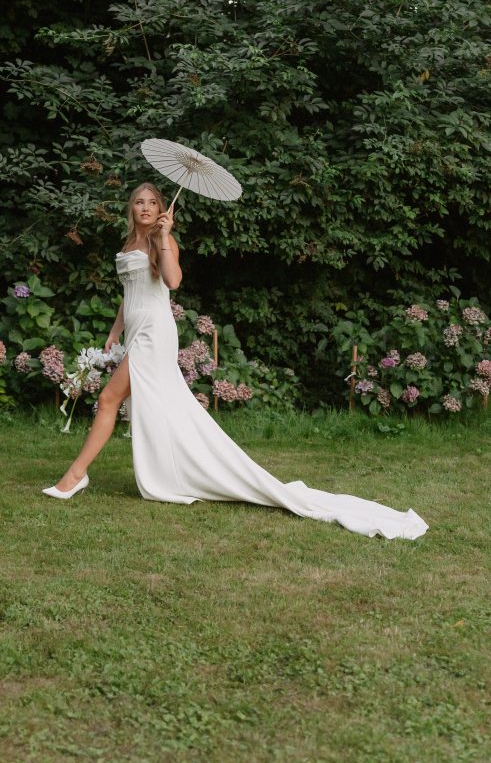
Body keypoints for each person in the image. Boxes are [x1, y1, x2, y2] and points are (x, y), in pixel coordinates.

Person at [42, 183, 428, 540]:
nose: (145, 208)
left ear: (162, 208)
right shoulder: (128, 241)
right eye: (139, 203)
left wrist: (162, 239)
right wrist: (115, 330)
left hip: (156, 333)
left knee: (109, 399)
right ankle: (170, 470)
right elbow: (130, 295)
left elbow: (173, 282)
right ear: (132, 208)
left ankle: (75, 475)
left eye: (152, 203)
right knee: (153, 408)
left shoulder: (165, 240)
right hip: (134, 329)